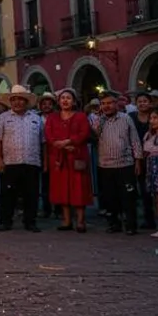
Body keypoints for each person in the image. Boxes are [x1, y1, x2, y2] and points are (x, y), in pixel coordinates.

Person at [0, 85, 44, 233]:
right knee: (8, 194)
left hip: (31, 161)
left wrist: (44, 161)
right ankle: (5, 221)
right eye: (14, 100)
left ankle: (30, 222)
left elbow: (43, 141)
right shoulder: (3, 118)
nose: (17, 103)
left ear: (26, 101)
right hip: (10, 162)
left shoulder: (36, 118)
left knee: (31, 194)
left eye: (20, 100)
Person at [44, 88, 93, 233]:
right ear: (58, 102)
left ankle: (80, 221)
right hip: (59, 158)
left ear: (74, 101)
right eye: (62, 98)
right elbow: (49, 134)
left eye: (68, 98)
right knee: (62, 188)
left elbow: (84, 133)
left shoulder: (81, 117)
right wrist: (59, 144)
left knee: (79, 188)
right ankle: (66, 220)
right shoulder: (52, 118)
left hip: (76, 156)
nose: (65, 100)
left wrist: (69, 141)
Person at [95, 91, 143, 235]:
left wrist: (138, 161)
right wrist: (98, 121)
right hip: (105, 166)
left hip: (125, 164)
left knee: (128, 197)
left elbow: (135, 140)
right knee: (110, 197)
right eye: (103, 104)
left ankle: (131, 225)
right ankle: (114, 224)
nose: (106, 106)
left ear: (116, 103)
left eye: (109, 103)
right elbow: (94, 136)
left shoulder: (126, 119)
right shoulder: (100, 120)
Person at [130, 91, 156, 230]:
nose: (142, 103)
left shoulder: (154, 117)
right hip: (137, 158)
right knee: (143, 190)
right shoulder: (131, 117)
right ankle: (148, 218)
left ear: (150, 103)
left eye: (145, 101)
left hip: (153, 157)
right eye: (140, 101)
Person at [37, 93, 57, 219]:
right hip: (40, 151)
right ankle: (46, 208)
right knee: (45, 183)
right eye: (44, 104)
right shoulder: (37, 118)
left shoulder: (57, 117)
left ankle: (59, 208)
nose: (46, 106)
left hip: (55, 151)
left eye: (49, 104)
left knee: (57, 182)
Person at [142, 108, 158, 238]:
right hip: (152, 166)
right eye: (151, 118)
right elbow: (146, 149)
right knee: (156, 198)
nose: (152, 121)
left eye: (155, 118)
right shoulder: (149, 135)